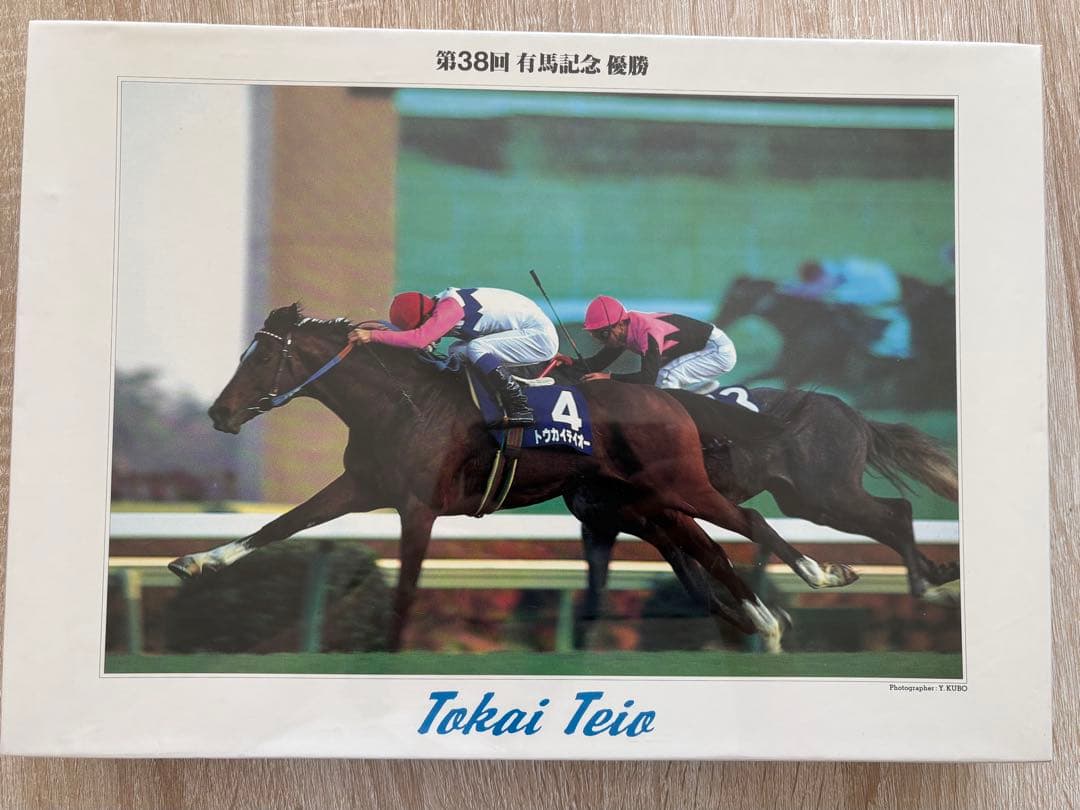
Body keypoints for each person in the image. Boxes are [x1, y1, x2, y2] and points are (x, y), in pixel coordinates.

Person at [349, 286, 559, 427]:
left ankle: (520, 407)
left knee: (477, 348)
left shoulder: (450, 307)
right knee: (456, 352)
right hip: (523, 332)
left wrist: (372, 336)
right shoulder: (438, 305)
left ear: (426, 316)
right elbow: (422, 335)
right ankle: (484, 403)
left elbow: (419, 339)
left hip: (538, 337)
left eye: (421, 325)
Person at [573, 295, 737, 395]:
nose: (600, 340)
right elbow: (597, 364)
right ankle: (693, 396)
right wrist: (567, 361)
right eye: (595, 335)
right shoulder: (622, 332)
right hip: (700, 349)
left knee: (666, 377)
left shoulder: (647, 332)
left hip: (717, 351)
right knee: (663, 378)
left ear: (620, 324)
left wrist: (609, 378)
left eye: (603, 334)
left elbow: (647, 378)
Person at [779, 257, 912, 360]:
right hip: (878, 289)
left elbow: (823, 291)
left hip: (880, 295)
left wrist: (790, 288)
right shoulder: (837, 269)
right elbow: (816, 287)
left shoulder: (843, 279)